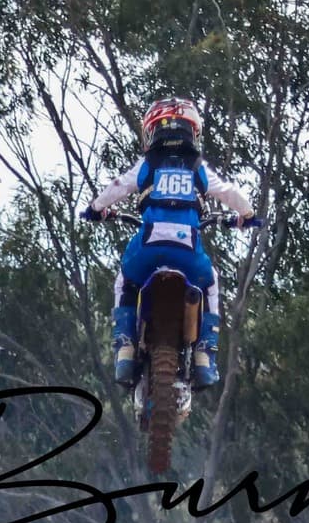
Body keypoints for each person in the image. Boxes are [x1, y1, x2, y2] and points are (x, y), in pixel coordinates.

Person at [81, 97, 260, 389]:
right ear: (194, 131)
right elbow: (229, 193)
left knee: (125, 280)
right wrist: (247, 215)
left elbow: (118, 187)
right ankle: (204, 355)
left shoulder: (147, 164)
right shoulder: (198, 168)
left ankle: (125, 349)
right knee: (211, 283)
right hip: (188, 253)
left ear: (151, 131)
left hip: (148, 250)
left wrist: (96, 208)